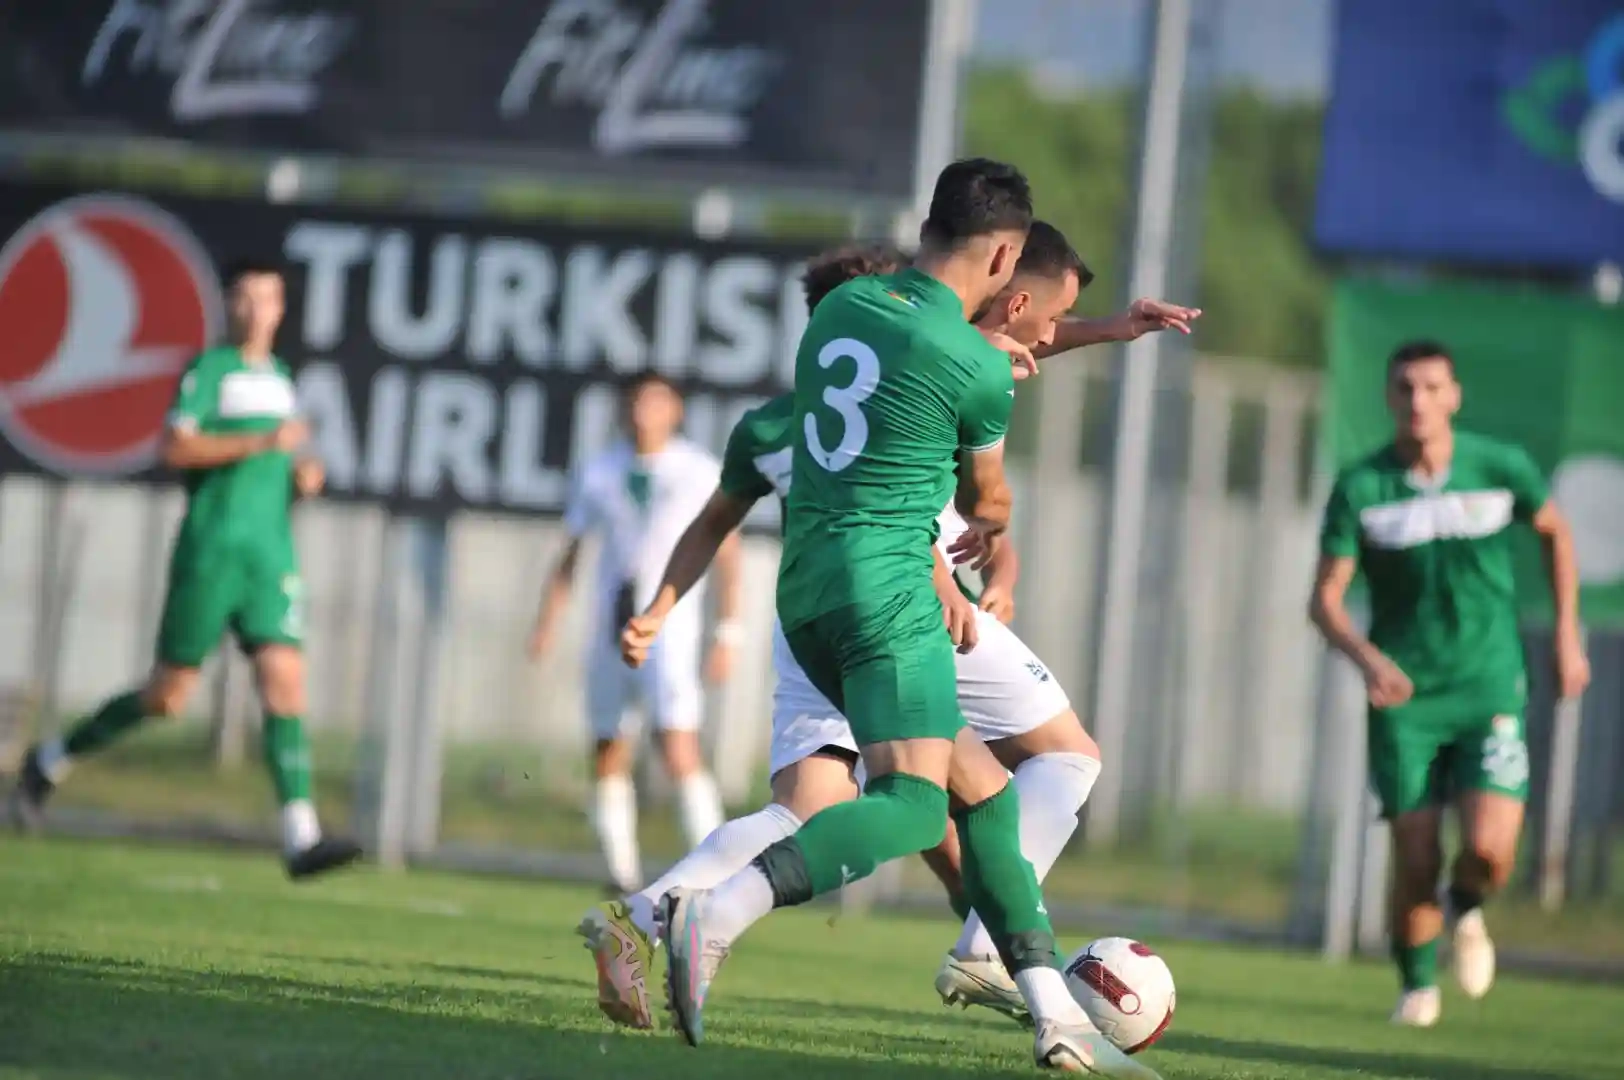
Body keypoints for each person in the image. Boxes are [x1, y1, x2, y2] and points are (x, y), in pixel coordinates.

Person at [580, 227, 1201, 1036]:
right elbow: (985, 380)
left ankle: (644, 913)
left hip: (813, 614)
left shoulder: (777, 420)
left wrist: (661, 608)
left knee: (826, 810)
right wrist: (966, 564)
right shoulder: (927, 356)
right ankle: (991, 951)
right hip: (906, 602)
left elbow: (718, 520)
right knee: (1052, 759)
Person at [8, 258, 361, 879]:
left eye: (268, 298)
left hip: (269, 554)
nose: (257, 310)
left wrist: (300, 479)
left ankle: (299, 837)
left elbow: (273, 469)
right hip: (210, 550)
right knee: (167, 696)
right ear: (230, 303)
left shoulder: (282, 379)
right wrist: (260, 443)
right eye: (246, 297)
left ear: (282, 308)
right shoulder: (210, 371)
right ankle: (51, 760)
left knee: (284, 679)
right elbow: (175, 446)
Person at [1309, 340, 1589, 1028]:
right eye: (1405, 388)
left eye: (1432, 387)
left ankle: (1464, 908)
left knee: (1490, 853)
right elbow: (1325, 600)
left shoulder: (1500, 467)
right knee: (1416, 853)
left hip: (1489, 687)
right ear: (1388, 397)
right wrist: (1367, 658)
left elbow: (1555, 534)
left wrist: (1566, 632)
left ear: (1454, 396)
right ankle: (1416, 988)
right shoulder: (1363, 486)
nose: (1418, 401)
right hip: (1405, 700)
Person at [529, 372, 740, 896]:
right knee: (608, 745)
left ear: (676, 411)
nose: (644, 411)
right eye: (636, 401)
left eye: (656, 401)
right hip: (611, 627)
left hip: (670, 629)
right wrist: (547, 623)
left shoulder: (697, 470)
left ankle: (717, 871)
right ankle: (621, 874)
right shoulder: (600, 470)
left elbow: (727, 553)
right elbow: (572, 552)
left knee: (677, 744)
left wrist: (727, 631)